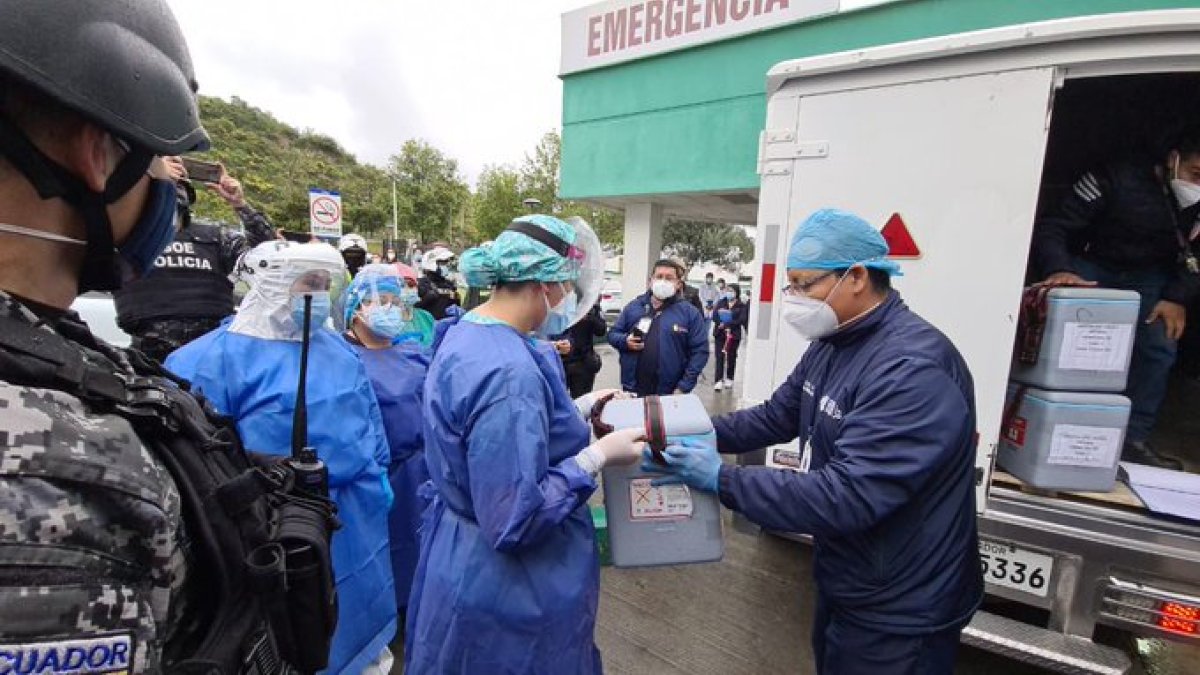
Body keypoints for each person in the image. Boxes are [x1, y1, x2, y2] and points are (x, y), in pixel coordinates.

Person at [0, 2, 338, 671]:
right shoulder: (69, 471)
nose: (168, 189)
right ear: (98, 153)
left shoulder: (65, 362)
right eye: (162, 159)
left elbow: (273, 252)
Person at [651, 209, 982, 675]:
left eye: (805, 285)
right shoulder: (835, 342)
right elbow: (778, 414)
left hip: (903, 603)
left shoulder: (912, 369)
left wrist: (722, 479)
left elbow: (848, 494)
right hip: (852, 575)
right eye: (791, 285)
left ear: (858, 277)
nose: (794, 299)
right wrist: (689, 426)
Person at [404, 215, 647, 674]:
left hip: (460, 552)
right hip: (510, 590)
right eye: (566, 285)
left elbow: (489, 437)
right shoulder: (507, 373)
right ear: (542, 285)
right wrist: (596, 457)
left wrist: (577, 408)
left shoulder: (469, 332)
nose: (568, 298)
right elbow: (515, 515)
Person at [167, 241, 398, 675]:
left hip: (355, 517)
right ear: (271, 283)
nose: (319, 293)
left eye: (326, 284)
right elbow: (194, 460)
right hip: (272, 522)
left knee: (357, 620)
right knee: (289, 627)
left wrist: (378, 473)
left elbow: (369, 419)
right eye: (310, 282)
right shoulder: (209, 359)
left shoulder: (339, 349)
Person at [1032, 127, 1200, 469]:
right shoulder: (1114, 178)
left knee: (1159, 344)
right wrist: (1059, 270)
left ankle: (1132, 440)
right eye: (1195, 175)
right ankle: (1051, 429)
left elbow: (1196, 256)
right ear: (1173, 160)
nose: (1197, 186)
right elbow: (1055, 227)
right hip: (1091, 266)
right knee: (1073, 342)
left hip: (1153, 276)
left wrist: (1177, 297)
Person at [341, 264, 431, 633]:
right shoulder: (344, 359)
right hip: (378, 475)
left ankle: (421, 610)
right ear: (355, 308)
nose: (390, 309)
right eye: (381, 301)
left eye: (396, 302)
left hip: (423, 472)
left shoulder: (414, 352)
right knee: (385, 551)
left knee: (422, 546)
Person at [114, 157, 275, 361]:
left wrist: (240, 204)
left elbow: (268, 253)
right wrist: (145, 170)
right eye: (164, 184)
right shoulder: (126, 235)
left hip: (211, 359)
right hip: (150, 362)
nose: (171, 191)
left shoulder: (216, 239)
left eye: (177, 185)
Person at [608, 259, 709, 396]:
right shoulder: (634, 307)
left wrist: (684, 387)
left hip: (670, 392)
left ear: (678, 284)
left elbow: (700, 351)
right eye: (659, 277)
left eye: (669, 278)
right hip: (633, 389)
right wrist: (625, 341)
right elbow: (613, 334)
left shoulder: (689, 313)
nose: (663, 281)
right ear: (651, 281)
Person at [553, 301, 609, 398]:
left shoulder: (590, 305)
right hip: (559, 362)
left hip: (583, 362)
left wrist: (589, 317)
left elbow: (601, 331)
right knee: (558, 402)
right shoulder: (559, 302)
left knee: (581, 403)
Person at [712, 283, 749, 391]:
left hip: (734, 334)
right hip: (720, 333)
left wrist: (727, 324)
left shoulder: (741, 305)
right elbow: (715, 315)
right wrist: (721, 323)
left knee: (731, 357)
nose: (729, 292)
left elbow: (742, 319)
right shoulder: (721, 302)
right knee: (719, 357)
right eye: (728, 290)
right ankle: (718, 380)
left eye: (731, 290)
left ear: (737, 292)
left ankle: (729, 378)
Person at [417, 245, 460, 319]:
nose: (447, 265)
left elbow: (455, 306)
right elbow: (415, 308)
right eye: (443, 263)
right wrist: (429, 297)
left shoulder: (449, 284)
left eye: (447, 263)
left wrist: (456, 298)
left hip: (446, 326)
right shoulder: (421, 283)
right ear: (431, 264)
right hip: (428, 325)